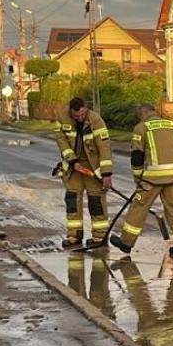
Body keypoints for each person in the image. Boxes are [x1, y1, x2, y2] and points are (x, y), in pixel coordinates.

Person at [110, 102, 173, 257]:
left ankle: (126, 243)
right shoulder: (171, 125)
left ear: (142, 113)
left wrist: (138, 178)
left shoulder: (141, 128)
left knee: (139, 208)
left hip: (152, 179)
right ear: (154, 111)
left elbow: (137, 156)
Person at [54, 97, 113, 250]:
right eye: (76, 116)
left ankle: (99, 237)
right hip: (74, 167)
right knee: (72, 200)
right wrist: (73, 161)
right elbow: (62, 142)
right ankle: (74, 236)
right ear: (71, 112)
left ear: (85, 109)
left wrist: (106, 174)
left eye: (82, 115)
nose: (79, 118)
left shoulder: (96, 120)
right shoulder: (62, 118)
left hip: (92, 166)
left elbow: (104, 147)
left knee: (96, 201)